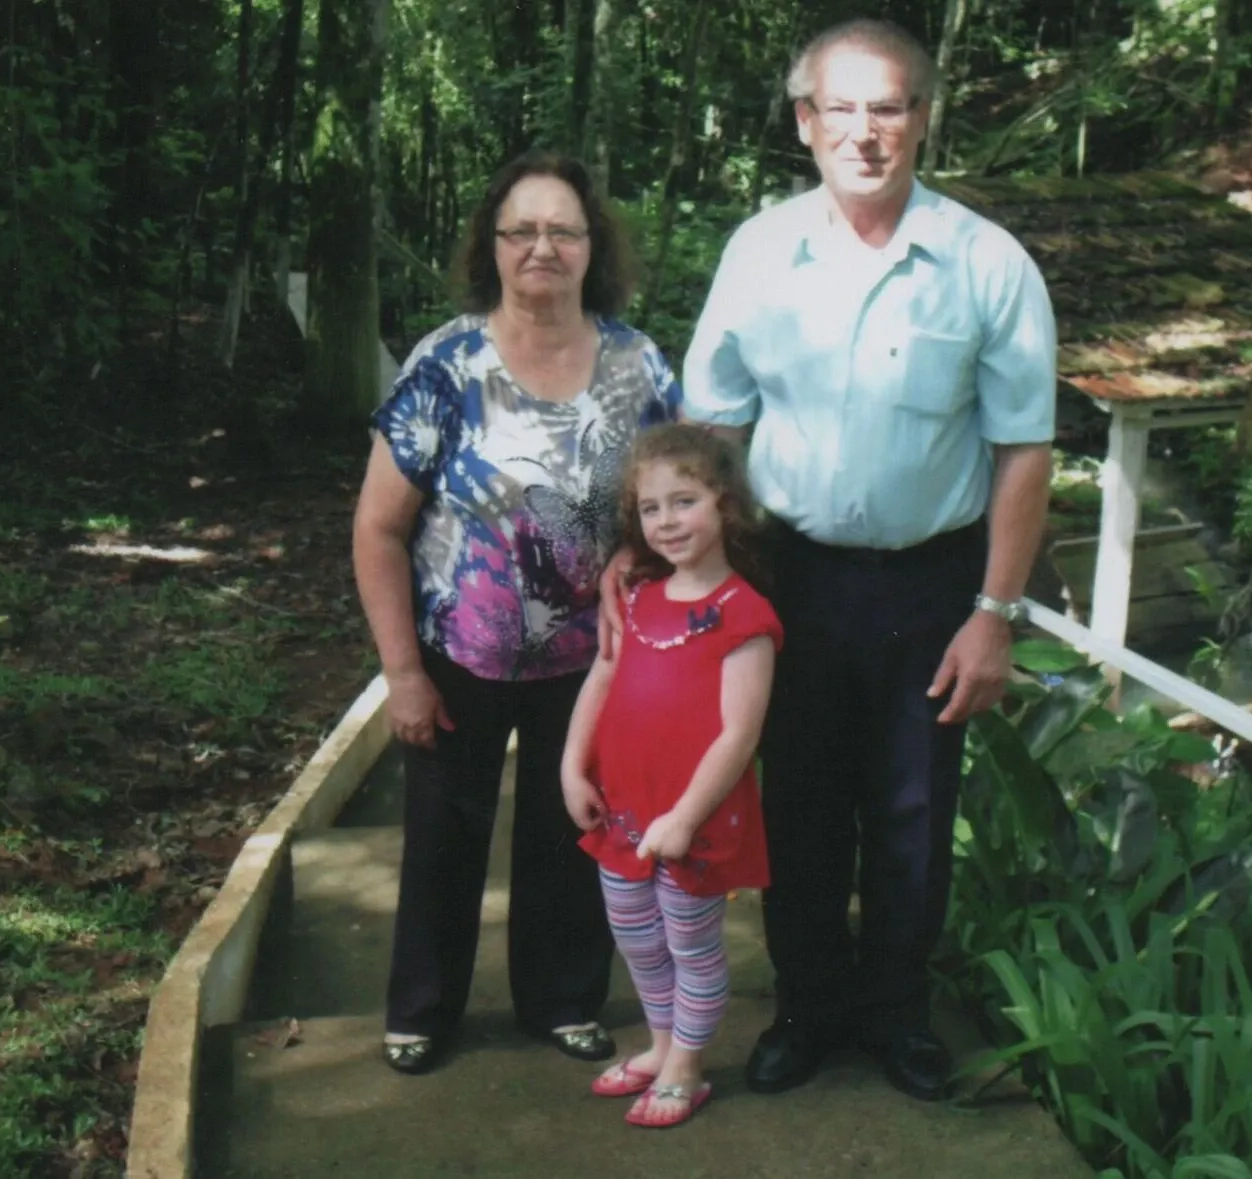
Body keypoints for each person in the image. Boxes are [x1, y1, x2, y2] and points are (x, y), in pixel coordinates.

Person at [677, 19, 1058, 1101]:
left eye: (887, 107)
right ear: (804, 123)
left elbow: (1022, 451)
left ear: (923, 119)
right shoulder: (758, 251)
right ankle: (807, 1009)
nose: (864, 132)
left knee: (911, 810)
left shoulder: (987, 263)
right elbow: (712, 428)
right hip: (787, 575)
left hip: (932, 584)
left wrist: (995, 612)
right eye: (839, 108)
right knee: (794, 801)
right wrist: (701, 583)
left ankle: (895, 1013)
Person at [353, 149, 682, 1077]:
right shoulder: (447, 363)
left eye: (563, 230)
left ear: (592, 246)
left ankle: (563, 1000)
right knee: (442, 837)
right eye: (522, 231)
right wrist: (403, 673)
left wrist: (645, 555)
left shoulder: (639, 363)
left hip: (593, 658)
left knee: (571, 827)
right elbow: (378, 529)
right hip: (459, 652)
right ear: (492, 247)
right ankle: (421, 1010)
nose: (543, 247)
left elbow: (683, 497)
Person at [562, 424, 781, 1128]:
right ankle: (660, 1045)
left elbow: (739, 731)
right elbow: (601, 677)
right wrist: (571, 766)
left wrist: (685, 816)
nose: (666, 521)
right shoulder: (636, 595)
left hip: (691, 816)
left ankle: (688, 1063)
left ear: (724, 504)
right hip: (623, 806)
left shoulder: (743, 613)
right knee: (637, 937)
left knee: (689, 941)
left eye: (683, 501)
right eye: (650, 508)